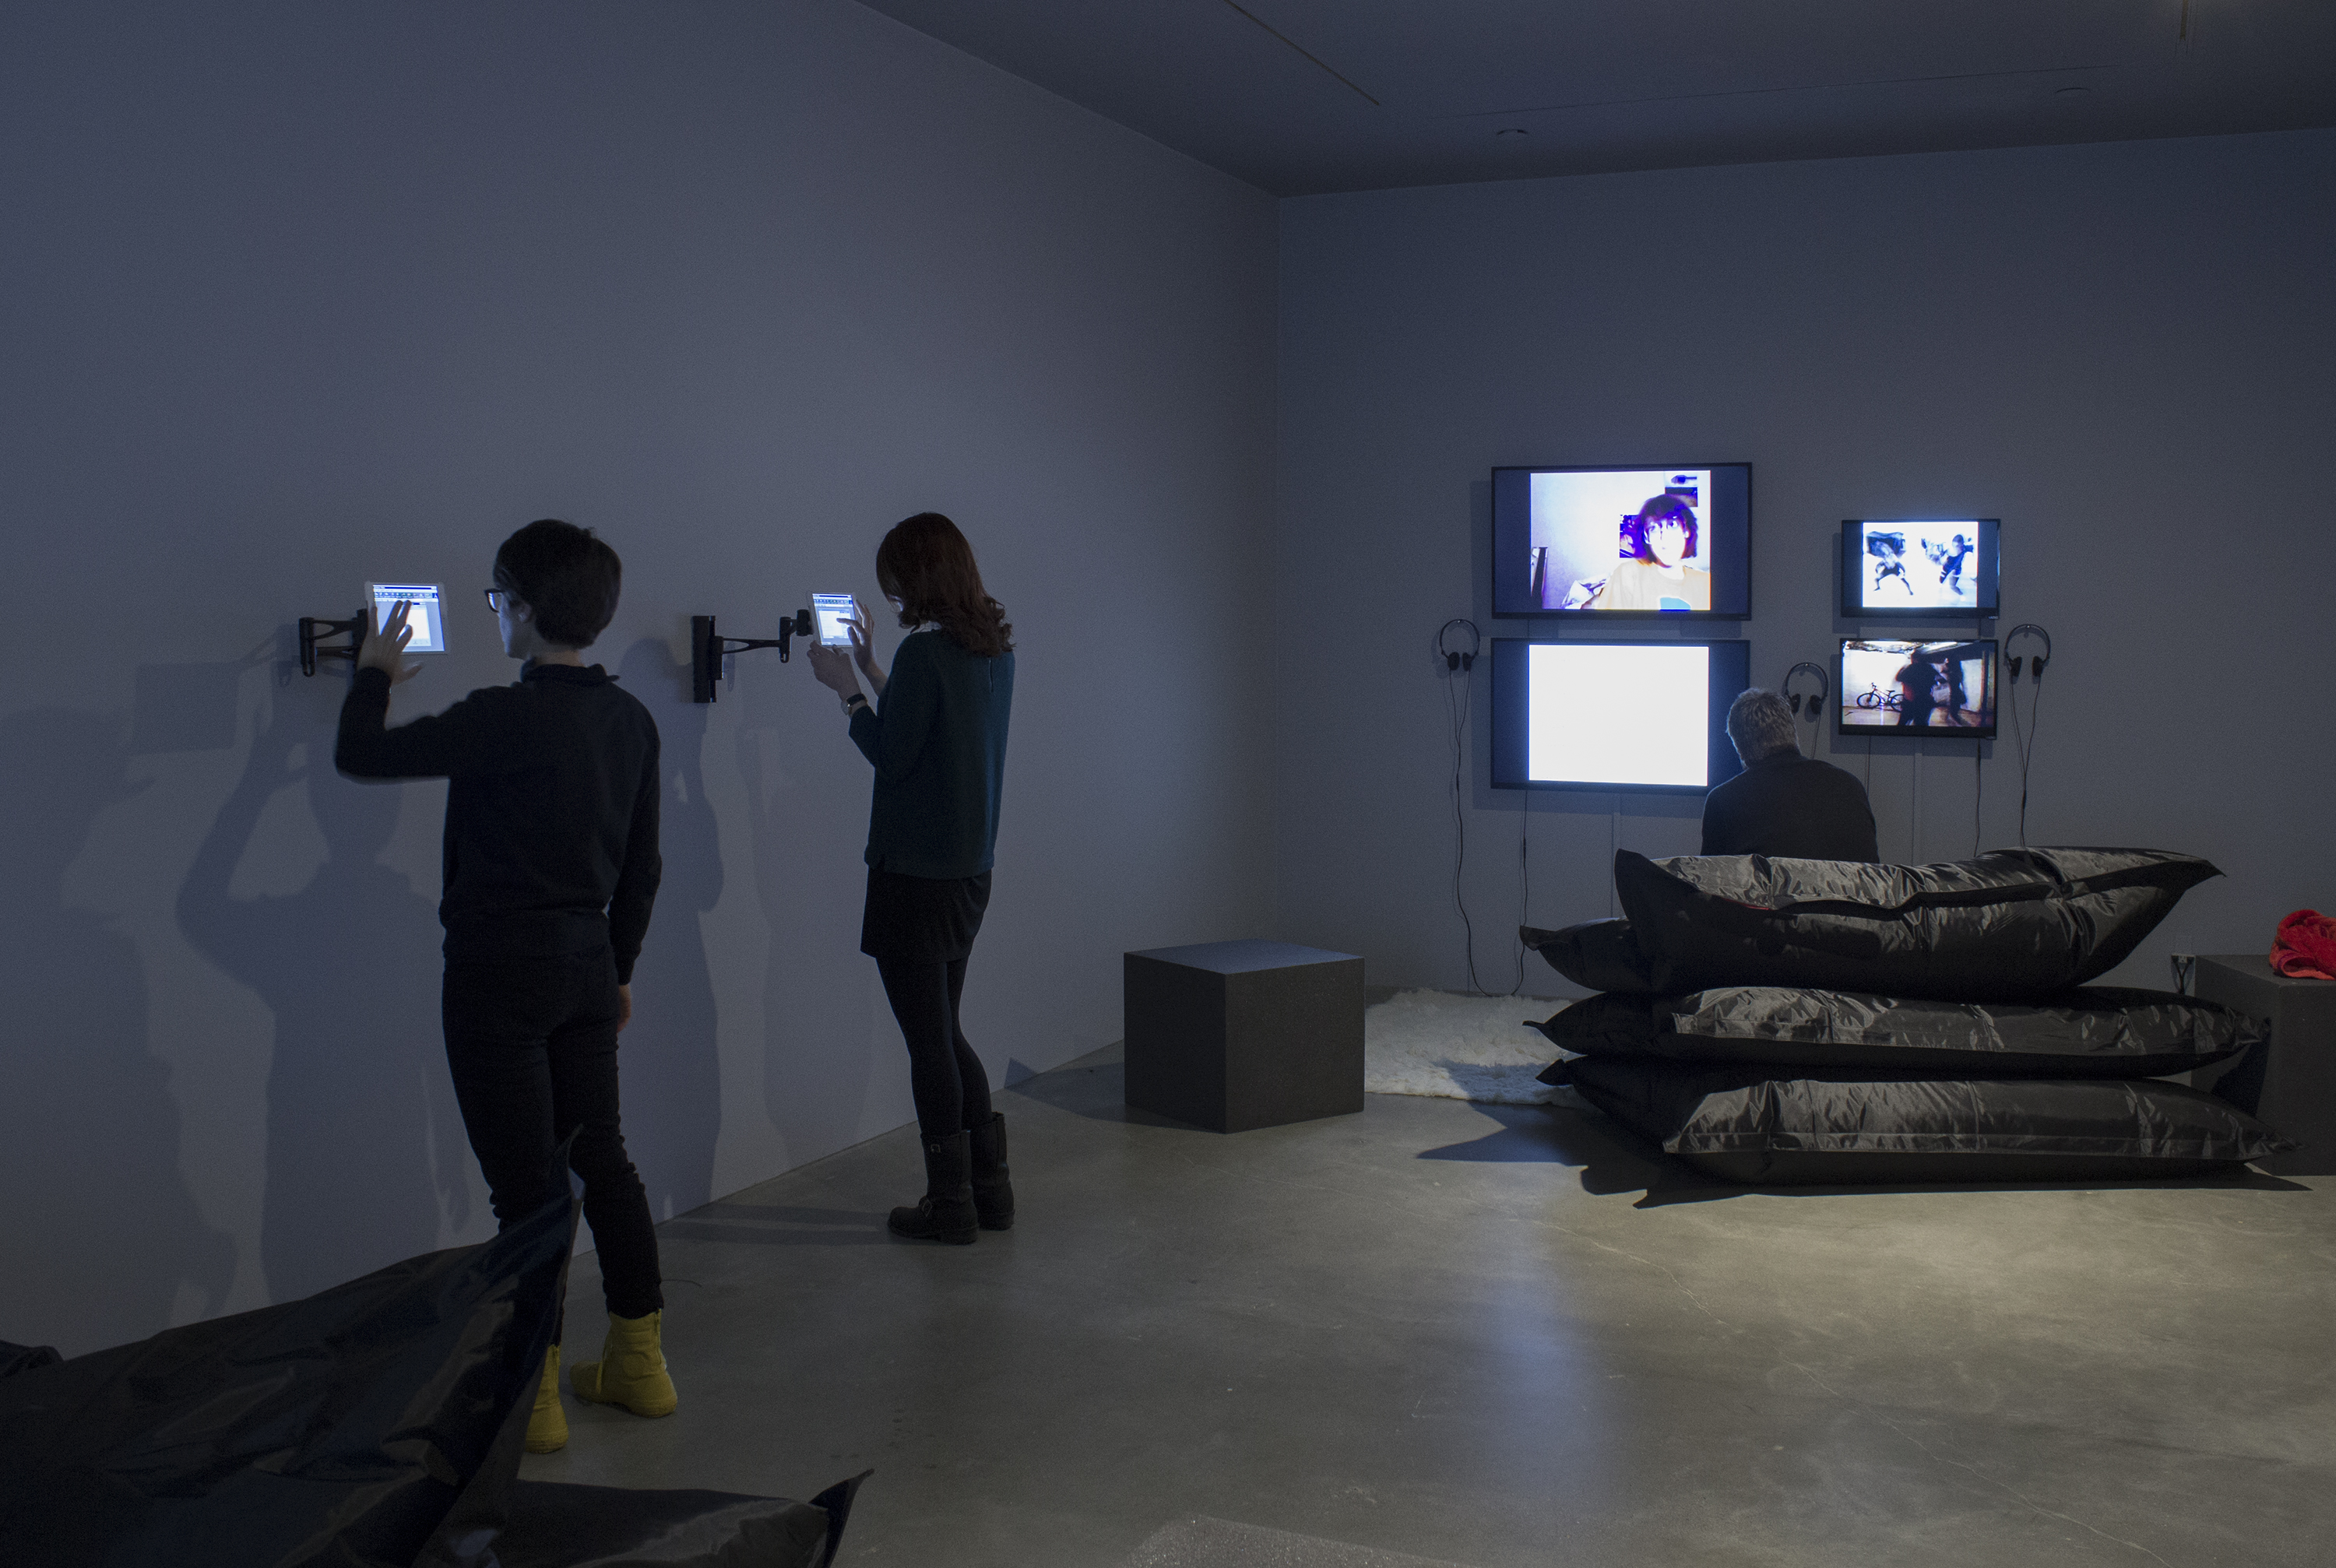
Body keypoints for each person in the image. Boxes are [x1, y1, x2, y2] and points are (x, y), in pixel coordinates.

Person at [335, 519, 673, 1455]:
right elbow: (644, 869)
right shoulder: (632, 721)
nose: (496, 615)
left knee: (527, 1190)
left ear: (524, 609)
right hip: (586, 968)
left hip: (497, 974)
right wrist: (622, 972)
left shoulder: (501, 715)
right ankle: (641, 1366)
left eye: (497, 599)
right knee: (601, 1157)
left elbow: (363, 754)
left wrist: (374, 671)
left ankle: (536, 1397)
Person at [807, 512, 1015, 1246]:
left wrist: (846, 692)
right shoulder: (990, 652)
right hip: (966, 874)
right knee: (946, 1032)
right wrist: (867, 666)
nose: (889, 595)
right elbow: (934, 728)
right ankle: (990, 1190)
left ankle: (950, 1203)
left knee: (929, 1041)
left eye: (894, 580)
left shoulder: (927, 656)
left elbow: (895, 758)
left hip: (913, 877)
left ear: (917, 577)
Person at [1700, 689, 1879, 861]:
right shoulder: (1849, 786)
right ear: (1792, 732)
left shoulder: (1724, 800)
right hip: (1850, 894)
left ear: (1739, 746)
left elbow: (1709, 883)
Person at [1583, 495, 1711, 611]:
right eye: (1654, 529)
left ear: (1686, 530)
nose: (1664, 537)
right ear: (1647, 537)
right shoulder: (1628, 574)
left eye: (1672, 525)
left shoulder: (1706, 583)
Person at [1894, 651, 1938, 729]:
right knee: (1921, 723)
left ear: (1914, 658)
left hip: (1911, 701)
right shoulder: (1929, 668)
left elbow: (1899, 678)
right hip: (1925, 701)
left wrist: (1902, 669)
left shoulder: (1911, 668)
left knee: (1902, 723)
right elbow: (1940, 680)